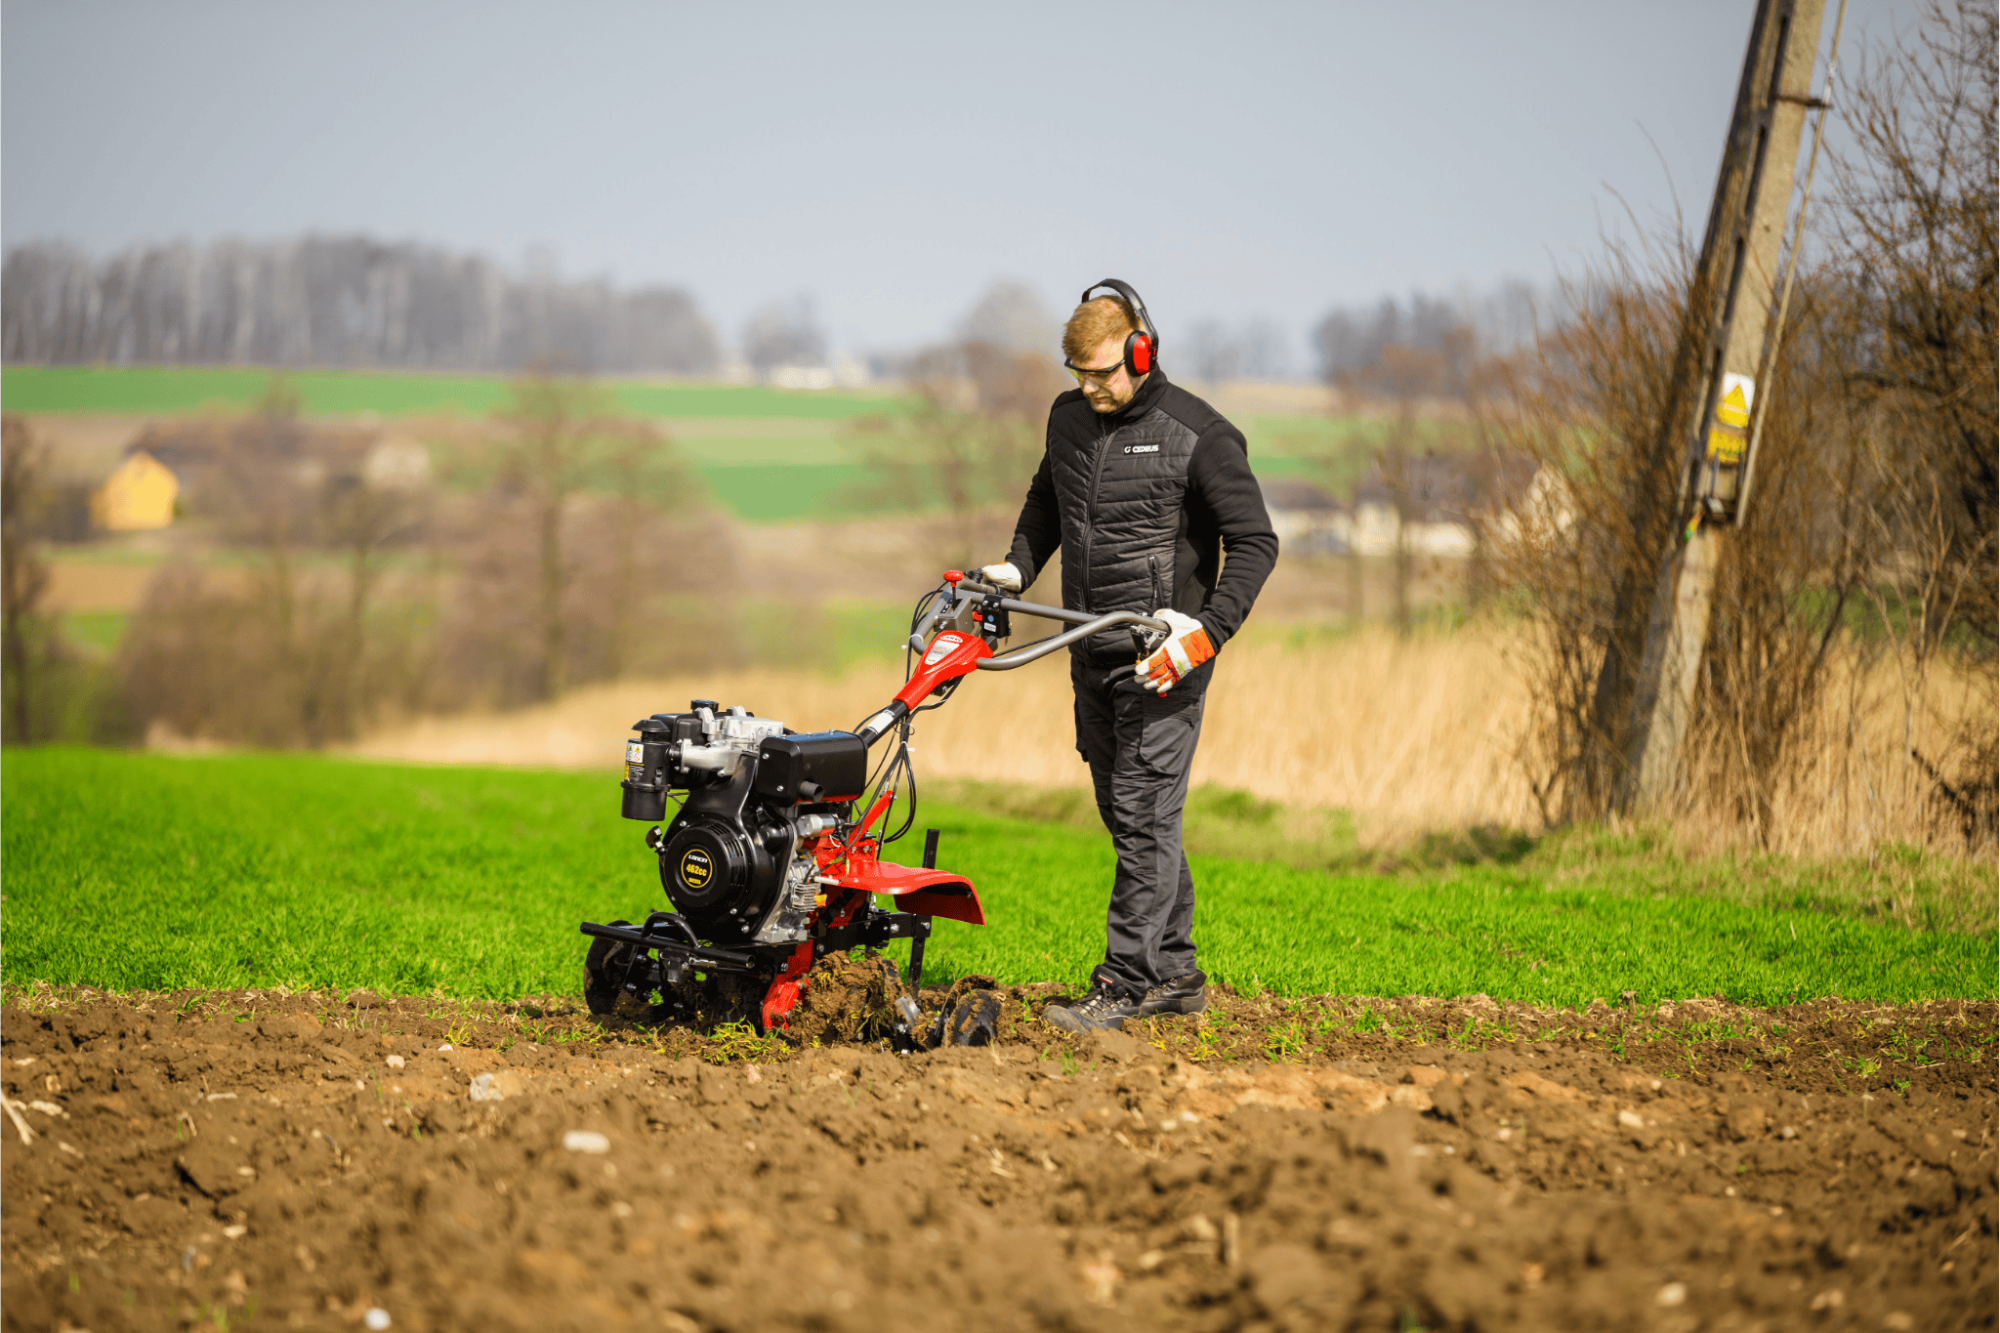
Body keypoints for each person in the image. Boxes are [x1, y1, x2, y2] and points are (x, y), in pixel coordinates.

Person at [978, 279, 1278, 1033]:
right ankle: (1174, 972)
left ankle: (1123, 983)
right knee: (1128, 817)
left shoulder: (1199, 435)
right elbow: (1046, 499)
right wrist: (1018, 566)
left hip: (1162, 660)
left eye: (1104, 373)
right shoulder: (1068, 420)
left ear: (1142, 352)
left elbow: (1255, 543)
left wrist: (1206, 632)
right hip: (1089, 650)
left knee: (1144, 819)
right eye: (1079, 374)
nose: (1091, 388)